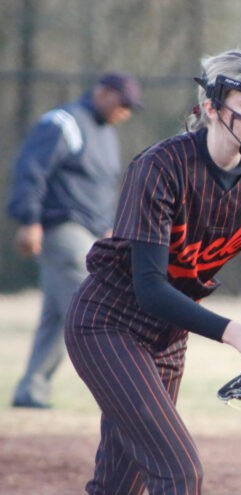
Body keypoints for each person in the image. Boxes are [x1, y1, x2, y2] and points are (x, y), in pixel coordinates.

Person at [65, 50, 241, 495]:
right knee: (179, 472)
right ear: (211, 108)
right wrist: (233, 332)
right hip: (108, 324)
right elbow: (150, 288)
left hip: (166, 338)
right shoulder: (160, 166)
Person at [8, 72, 143, 409]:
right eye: (122, 103)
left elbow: (99, 188)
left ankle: (31, 390)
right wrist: (29, 220)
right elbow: (31, 170)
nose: (125, 112)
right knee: (93, 308)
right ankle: (121, 392)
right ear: (102, 92)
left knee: (58, 316)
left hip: (93, 232)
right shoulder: (63, 122)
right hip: (62, 228)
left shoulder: (106, 134)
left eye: (130, 107)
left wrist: (109, 230)